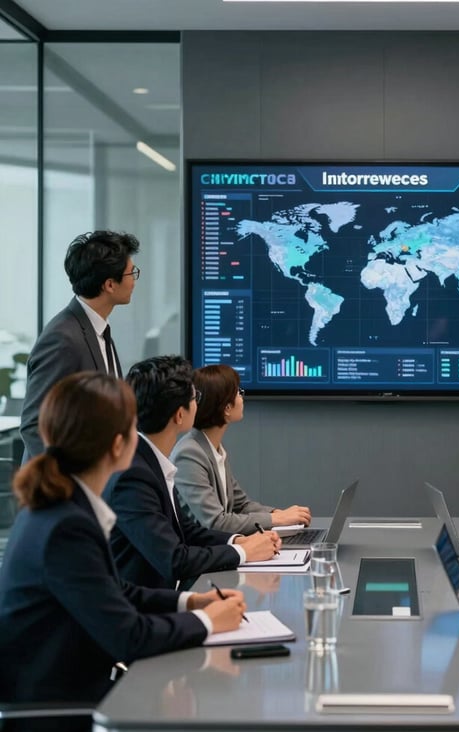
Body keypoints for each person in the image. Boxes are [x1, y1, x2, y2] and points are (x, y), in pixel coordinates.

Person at [0, 372, 245, 732]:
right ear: (118, 445)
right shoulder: (67, 525)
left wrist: (190, 601)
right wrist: (207, 621)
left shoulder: (62, 508)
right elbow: (128, 636)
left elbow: (116, 592)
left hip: (79, 701)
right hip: (62, 729)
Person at [105, 356, 280, 590]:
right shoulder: (133, 476)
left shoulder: (149, 460)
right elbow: (174, 560)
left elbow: (187, 531)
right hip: (145, 611)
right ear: (179, 415)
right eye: (195, 397)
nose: (199, 403)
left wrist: (239, 540)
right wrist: (242, 552)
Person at [20, 231, 141, 459]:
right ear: (109, 285)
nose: (134, 280)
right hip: (60, 488)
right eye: (131, 273)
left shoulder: (97, 328)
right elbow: (34, 424)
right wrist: (67, 487)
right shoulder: (63, 339)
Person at [171, 364, 311, 534]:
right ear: (227, 409)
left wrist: (279, 514)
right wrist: (277, 519)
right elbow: (216, 522)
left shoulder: (215, 449)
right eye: (238, 393)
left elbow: (241, 505)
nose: (242, 397)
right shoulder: (189, 454)